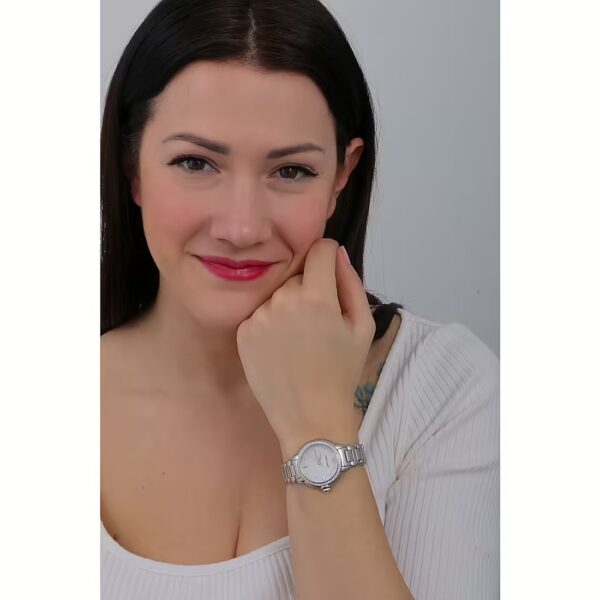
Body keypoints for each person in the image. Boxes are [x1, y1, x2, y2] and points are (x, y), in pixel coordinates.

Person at [100, 1, 499, 599]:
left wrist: (316, 422)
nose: (241, 227)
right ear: (132, 167)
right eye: (195, 162)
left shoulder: (444, 389)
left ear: (342, 175)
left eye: (290, 172)